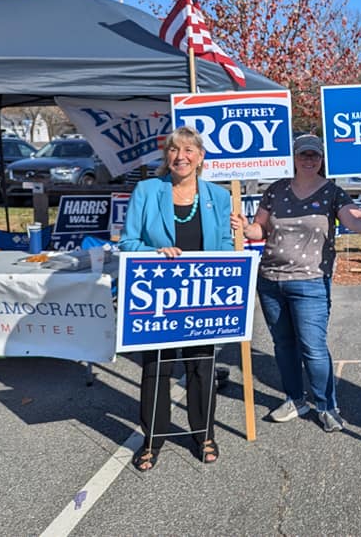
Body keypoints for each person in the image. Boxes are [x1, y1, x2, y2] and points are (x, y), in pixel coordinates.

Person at [238, 134, 361, 432]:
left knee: (312, 347)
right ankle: (295, 398)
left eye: (314, 155)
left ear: (322, 159)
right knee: (283, 345)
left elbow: (353, 220)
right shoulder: (276, 190)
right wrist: (244, 227)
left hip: (311, 282)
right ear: (295, 157)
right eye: (303, 154)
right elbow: (259, 229)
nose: (309, 160)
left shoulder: (332, 193)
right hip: (271, 280)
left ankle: (326, 406)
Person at [119, 126, 237, 472]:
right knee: (157, 367)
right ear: (166, 156)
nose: (180, 156)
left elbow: (226, 248)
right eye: (173, 150)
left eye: (188, 150)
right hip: (159, 298)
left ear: (201, 157)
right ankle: (152, 439)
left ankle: (204, 434)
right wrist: (156, 251)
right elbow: (127, 242)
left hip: (202, 297)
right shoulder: (147, 190)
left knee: (202, 368)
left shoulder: (219, 196)